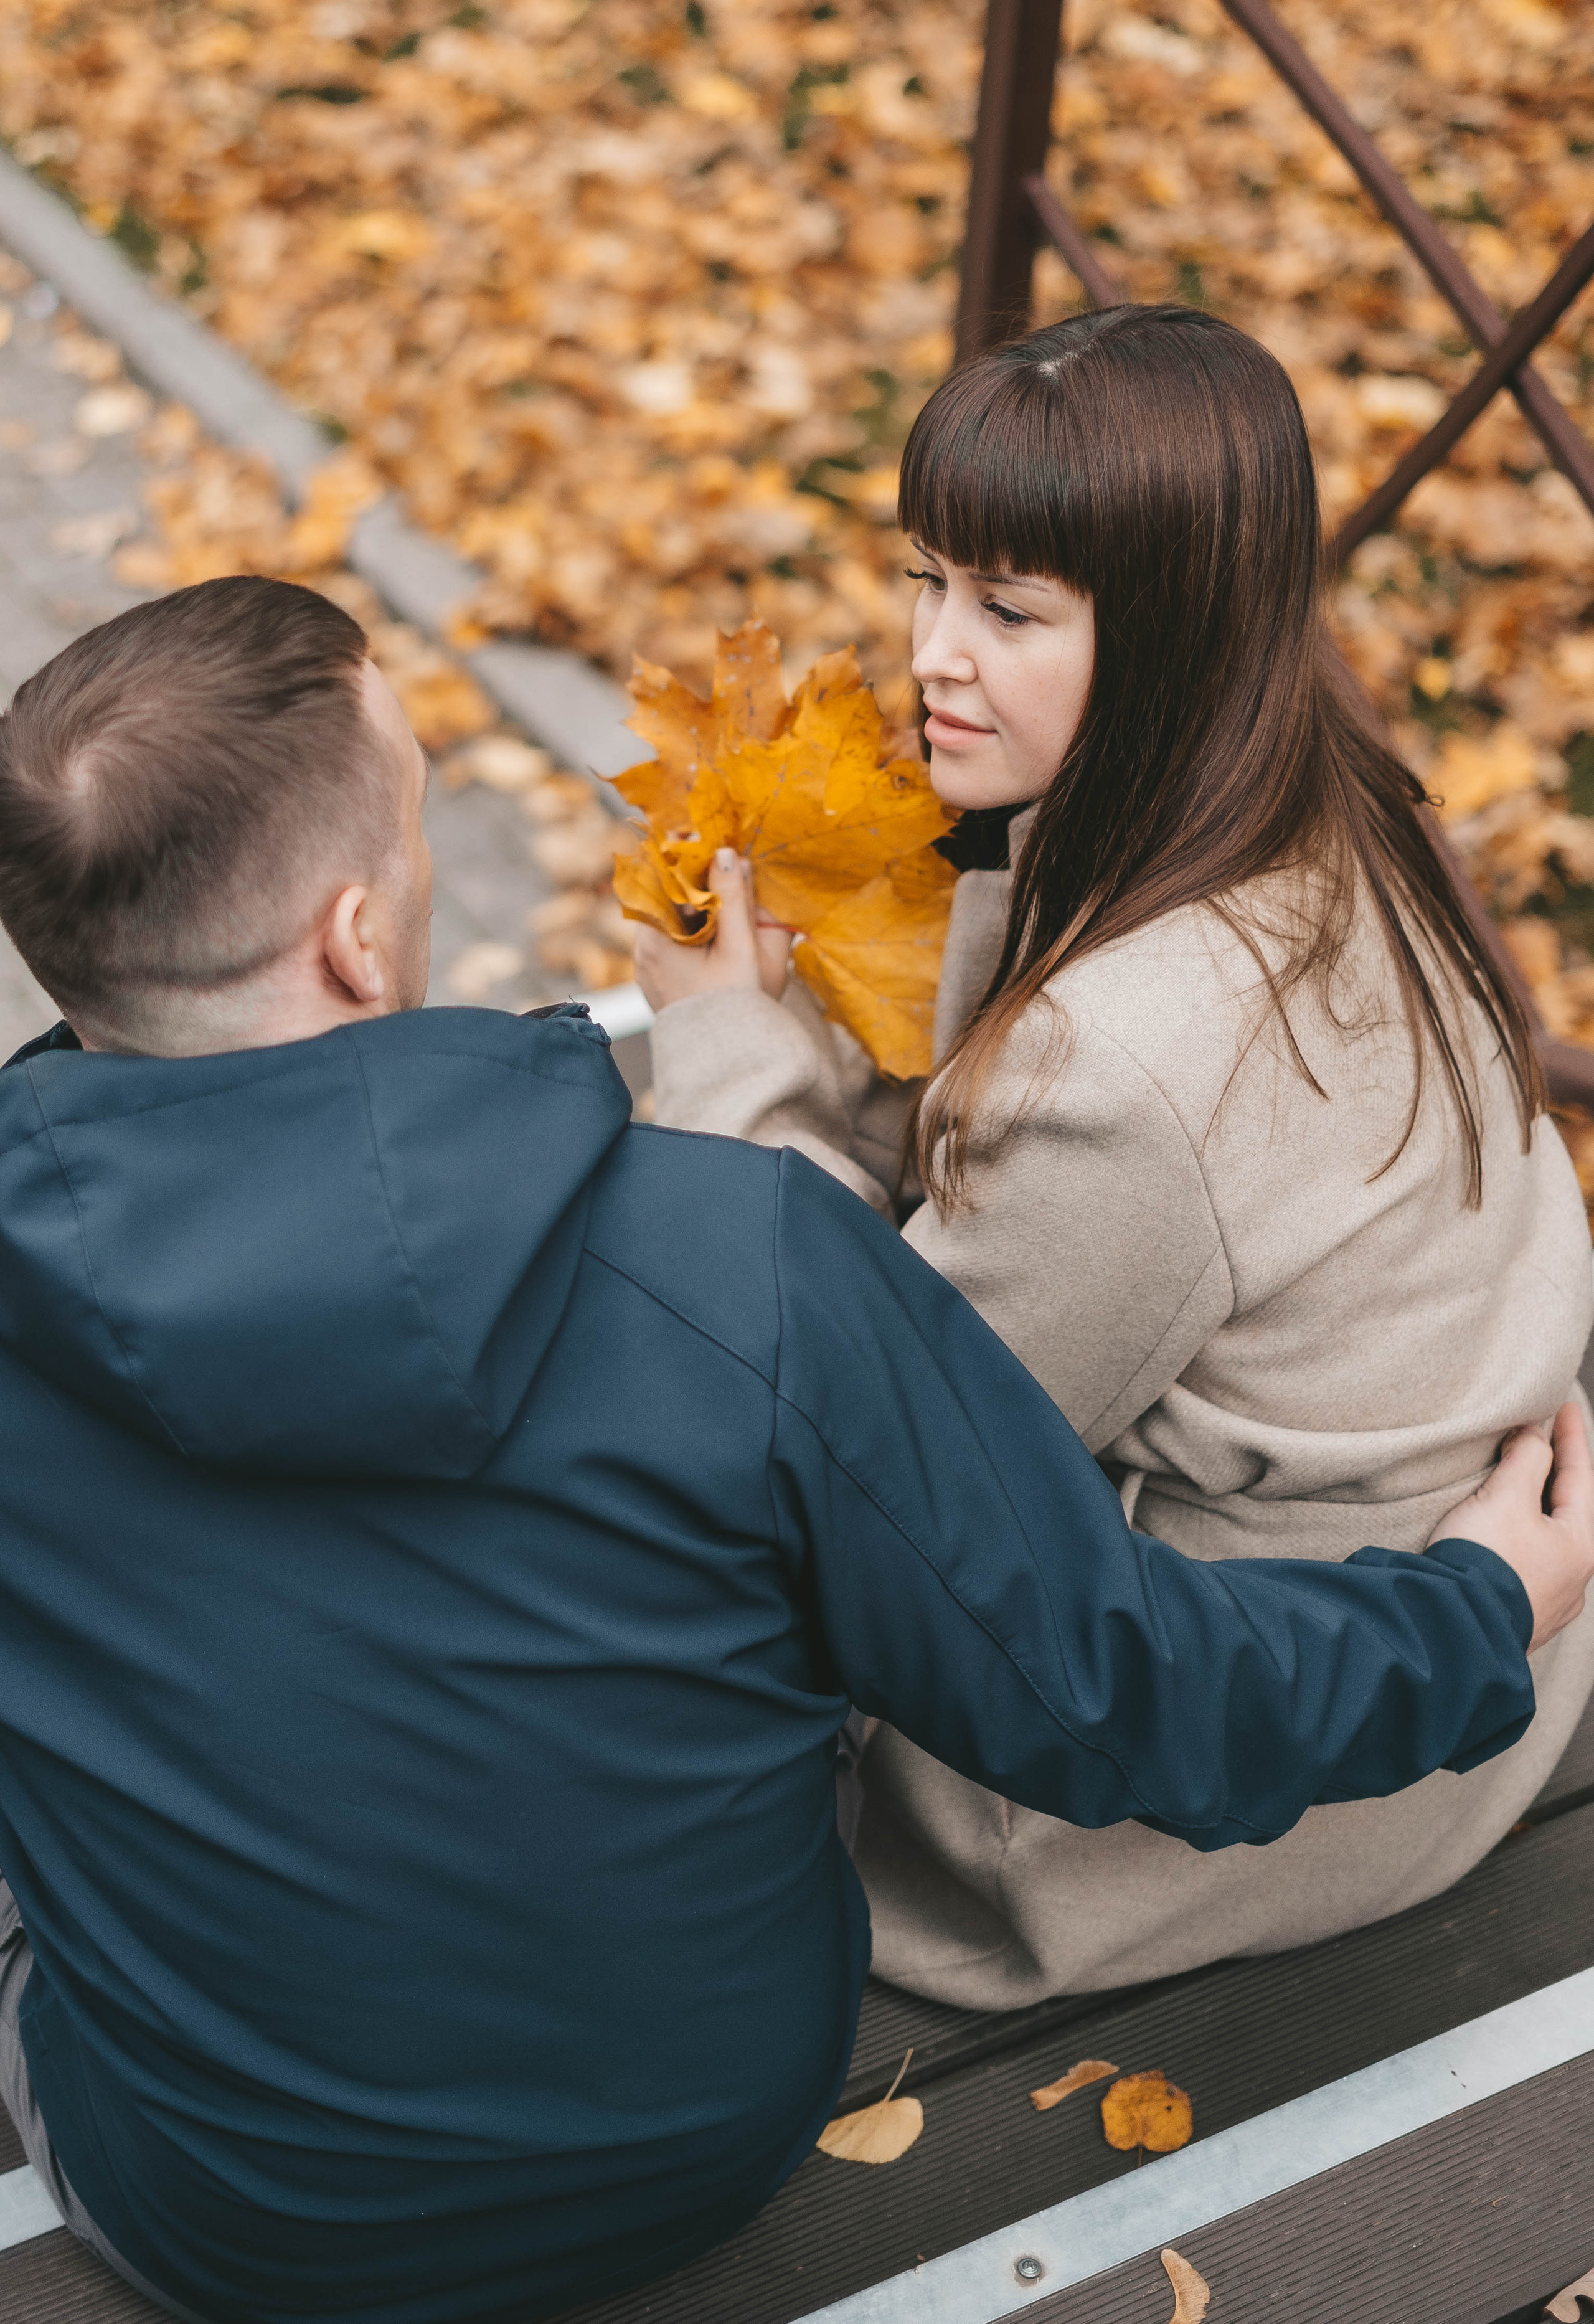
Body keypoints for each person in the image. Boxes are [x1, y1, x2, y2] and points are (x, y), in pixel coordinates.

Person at [0, 580, 1584, 2324]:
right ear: (361, 937)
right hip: (691, 2134)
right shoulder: (740, 1256)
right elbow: (1114, 1690)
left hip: (221, 2215)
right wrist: (1475, 1607)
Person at [636, 304, 1594, 2012]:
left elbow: (840, 1455)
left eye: (1010, 611)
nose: (934, 651)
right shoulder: (1315, 801)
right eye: (929, 576)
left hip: (1185, 1794)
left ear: (1169, 642)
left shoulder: (1136, 1065)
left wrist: (728, 1047)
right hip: (1462, 1631)